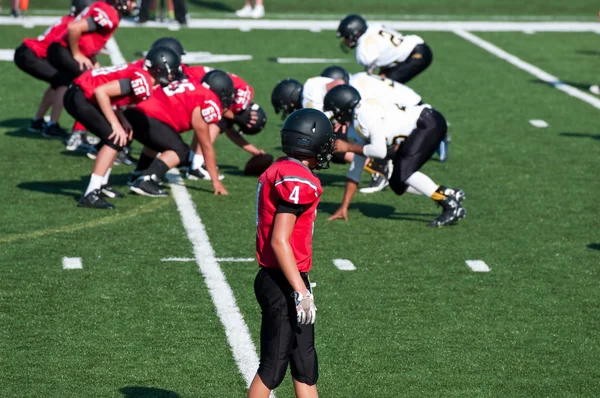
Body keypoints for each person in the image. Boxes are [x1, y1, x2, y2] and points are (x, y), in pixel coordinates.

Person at [249, 108, 335, 398]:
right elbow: (279, 241)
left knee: (305, 365)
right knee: (273, 369)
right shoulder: (296, 178)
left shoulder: (284, 169)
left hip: (290, 278)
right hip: (282, 281)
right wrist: (301, 291)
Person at [324, 84, 465, 227]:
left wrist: (348, 147)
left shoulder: (364, 115)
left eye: (335, 113)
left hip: (428, 123)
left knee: (404, 173)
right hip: (424, 125)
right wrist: (344, 206)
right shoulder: (358, 121)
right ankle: (448, 193)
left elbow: (379, 152)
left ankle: (450, 203)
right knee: (397, 183)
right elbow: (356, 169)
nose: (336, 118)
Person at [64, 47, 181, 209]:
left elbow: (114, 98)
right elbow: (101, 92)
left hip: (82, 94)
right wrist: (114, 123)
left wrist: (122, 120)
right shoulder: (143, 81)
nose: (172, 76)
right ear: (159, 69)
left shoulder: (143, 76)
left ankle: (102, 185)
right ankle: (91, 193)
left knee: (119, 137)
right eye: (171, 72)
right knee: (113, 138)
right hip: (81, 96)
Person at [125, 70, 233, 197]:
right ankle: (146, 181)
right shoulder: (207, 98)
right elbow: (206, 146)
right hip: (148, 117)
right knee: (180, 150)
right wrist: (216, 181)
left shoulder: (192, 84)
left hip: (133, 113)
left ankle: (139, 172)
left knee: (159, 140)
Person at [44, 0, 134, 139]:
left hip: (63, 49)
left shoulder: (110, 11)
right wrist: (76, 54)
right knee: (90, 88)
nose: (134, 5)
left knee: (92, 82)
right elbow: (74, 28)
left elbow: (88, 40)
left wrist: (93, 63)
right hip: (64, 49)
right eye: (132, 1)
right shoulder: (109, 13)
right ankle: (78, 135)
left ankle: (73, 130)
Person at [13, 0, 93, 136]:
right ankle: (52, 125)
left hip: (28, 52)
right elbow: (59, 46)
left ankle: (37, 121)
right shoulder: (73, 24)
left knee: (57, 81)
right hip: (31, 54)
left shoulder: (68, 19)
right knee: (63, 81)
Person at [337, 14, 432, 84]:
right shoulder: (375, 27)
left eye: (346, 37)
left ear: (355, 34)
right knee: (384, 84)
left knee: (384, 87)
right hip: (419, 49)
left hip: (415, 56)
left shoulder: (364, 46)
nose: (345, 41)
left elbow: (369, 72)